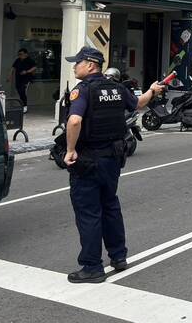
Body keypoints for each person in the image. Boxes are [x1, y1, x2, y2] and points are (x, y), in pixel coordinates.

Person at [63, 46, 164, 283]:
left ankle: (92, 267)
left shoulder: (83, 90)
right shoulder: (117, 88)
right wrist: (152, 90)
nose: (74, 67)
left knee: (89, 212)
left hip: (88, 160)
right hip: (112, 159)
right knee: (110, 206)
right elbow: (138, 103)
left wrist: (70, 150)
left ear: (90, 65)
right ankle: (118, 256)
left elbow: (75, 121)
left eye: (77, 62)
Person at [7, 48, 37, 113]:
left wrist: (27, 71)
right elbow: (13, 68)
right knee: (19, 91)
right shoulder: (18, 60)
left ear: (26, 54)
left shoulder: (29, 60)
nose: (20, 56)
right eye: (19, 54)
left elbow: (34, 67)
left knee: (23, 91)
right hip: (18, 78)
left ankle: (25, 106)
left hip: (26, 79)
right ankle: (22, 105)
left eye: (21, 54)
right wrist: (9, 76)